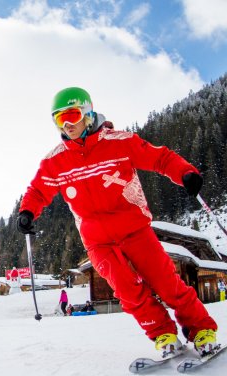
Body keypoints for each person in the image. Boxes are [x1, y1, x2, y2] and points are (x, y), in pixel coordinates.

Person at [17, 86, 218, 357]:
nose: (67, 124)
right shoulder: (56, 161)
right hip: (97, 240)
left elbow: (159, 158)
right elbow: (38, 191)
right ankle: (164, 335)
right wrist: (27, 212)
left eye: (72, 115)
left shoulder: (119, 142)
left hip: (134, 228)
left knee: (167, 284)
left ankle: (201, 330)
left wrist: (185, 173)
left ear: (87, 114)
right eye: (59, 119)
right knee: (129, 292)